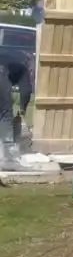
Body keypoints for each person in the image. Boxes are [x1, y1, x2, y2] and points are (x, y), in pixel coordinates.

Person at [0, 39, 31, 167]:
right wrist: (22, 109)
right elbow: (26, 91)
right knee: (6, 113)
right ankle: (7, 156)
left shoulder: (11, 56)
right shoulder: (23, 68)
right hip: (2, 75)